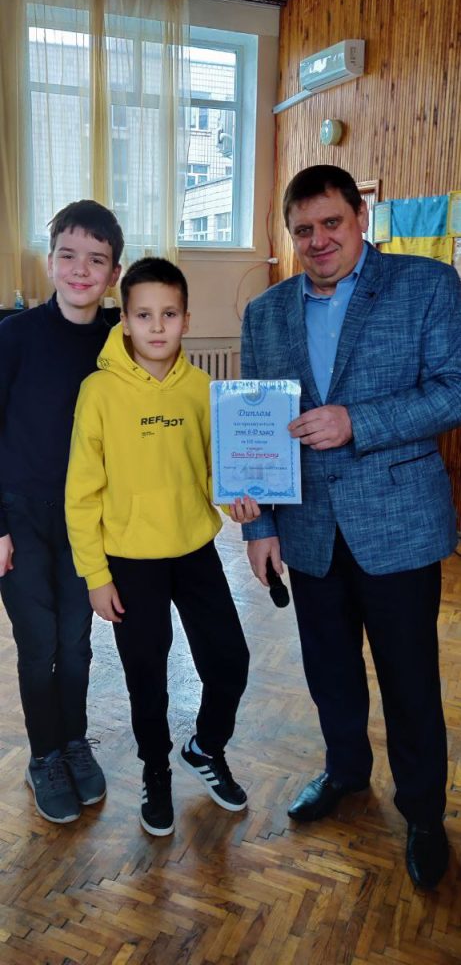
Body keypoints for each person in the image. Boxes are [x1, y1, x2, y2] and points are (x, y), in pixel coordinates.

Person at [240, 164, 461, 890]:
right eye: (302, 229)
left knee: (409, 681)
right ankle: (344, 771)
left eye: (331, 223)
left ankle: (423, 813)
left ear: (359, 216)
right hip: (307, 529)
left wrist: (356, 422)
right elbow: (254, 431)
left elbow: (453, 390)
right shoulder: (264, 313)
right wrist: (259, 528)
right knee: (328, 669)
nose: (318, 240)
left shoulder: (426, 286)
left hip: (398, 523)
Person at [65, 256, 258, 838]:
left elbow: (210, 471)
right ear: (124, 320)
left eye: (169, 314)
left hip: (195, 553)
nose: (156, 326)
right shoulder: (98, 391)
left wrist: (235, 499)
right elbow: (81, 494)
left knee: (230, 659)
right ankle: (156, 768)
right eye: (144, 315)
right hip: (129, 563)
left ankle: (206, 746)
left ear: (186, 320)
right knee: (146, 675)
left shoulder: (201, 389)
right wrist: (96, 574)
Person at [0, 199, 124, 824]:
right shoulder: (14, 336)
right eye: (68, 256)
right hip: (20, 517)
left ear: (114, 273)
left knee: (75, 644)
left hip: (88, 523)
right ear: (49, 262)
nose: (81, 269)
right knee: (38, 643)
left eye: (96, 260)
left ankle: (74, 740)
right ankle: (45, 754)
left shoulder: (122, 343)